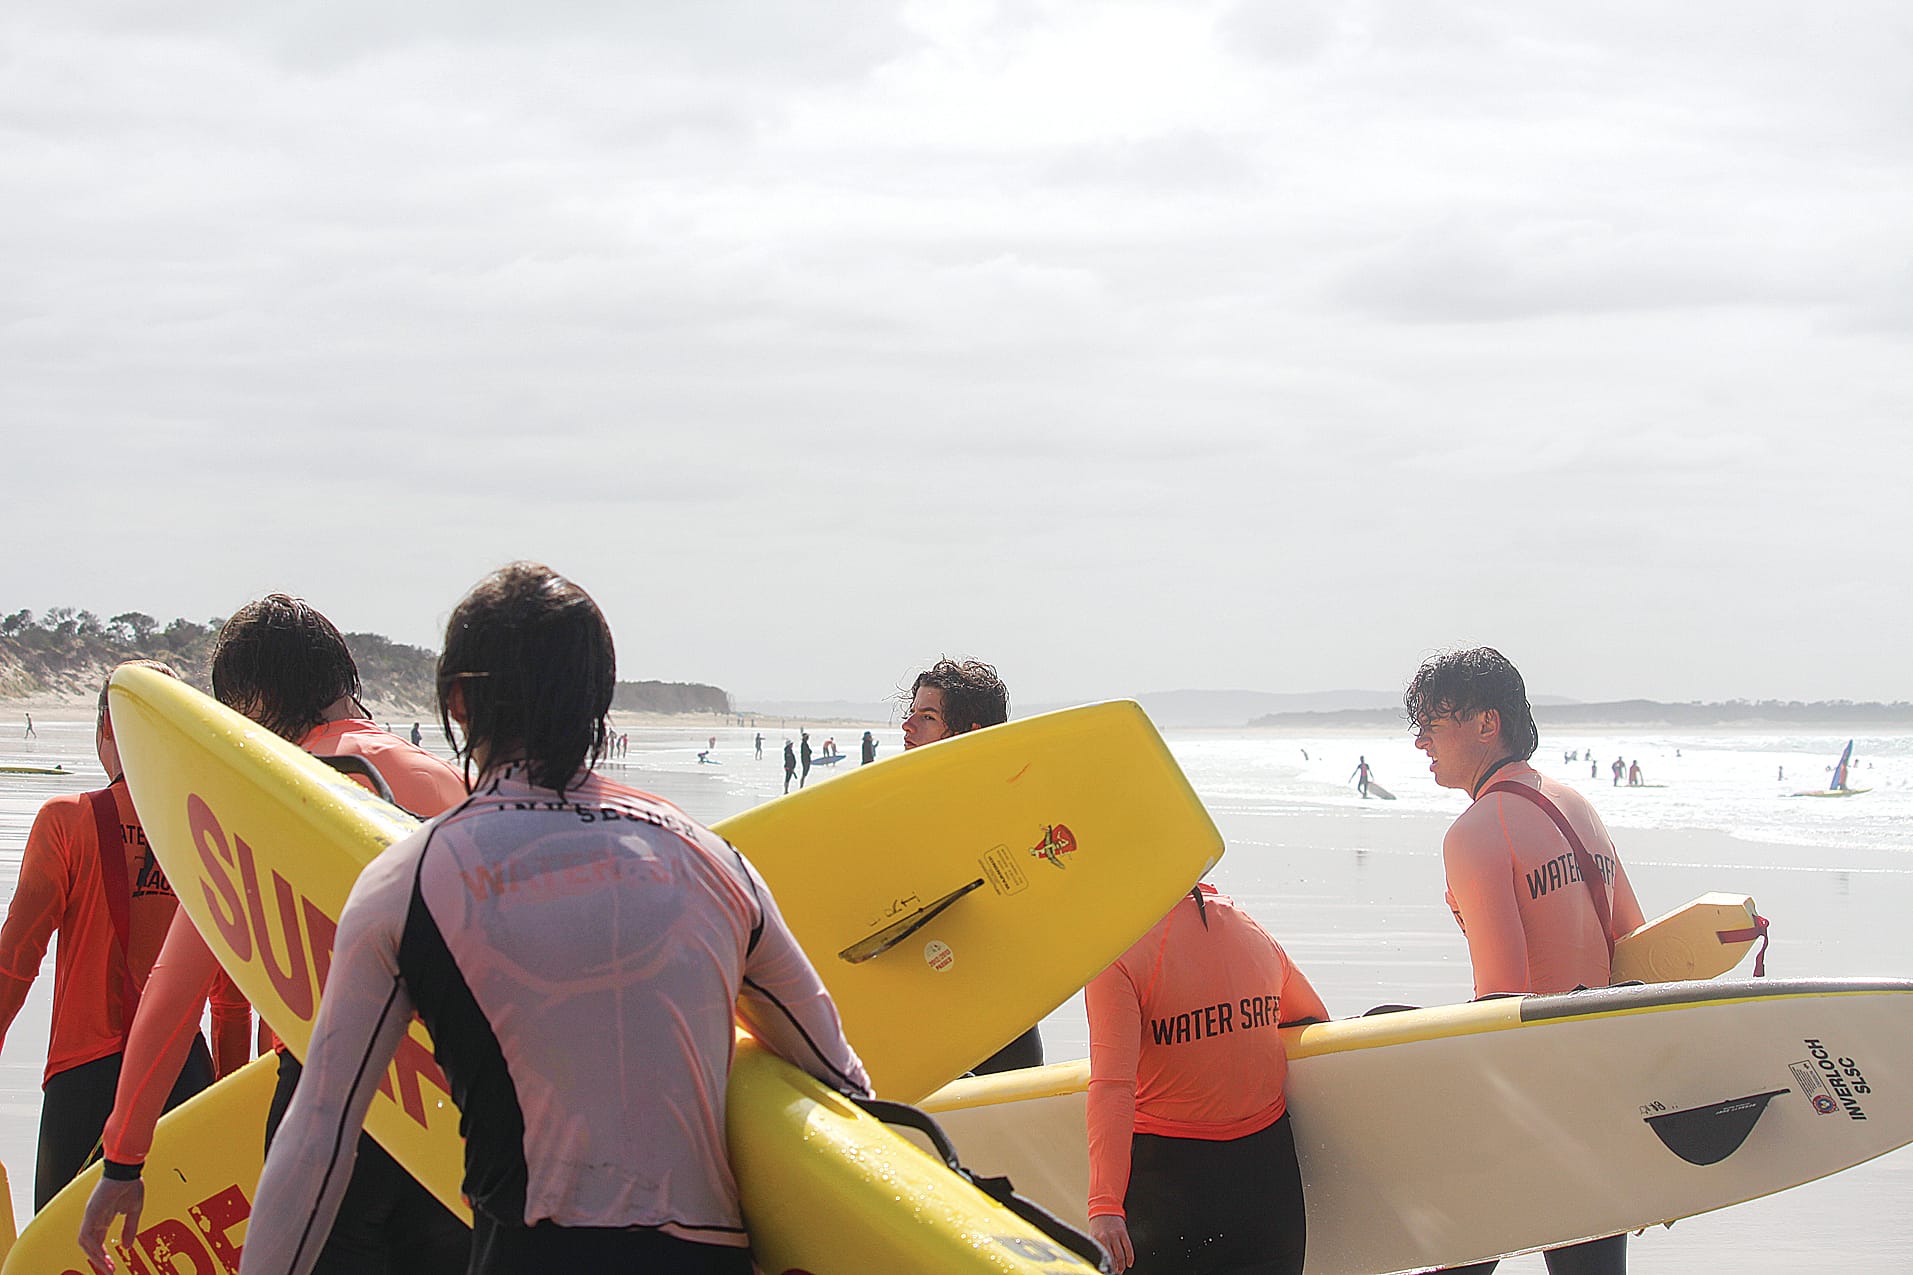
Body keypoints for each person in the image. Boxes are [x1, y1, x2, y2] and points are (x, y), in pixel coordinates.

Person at [233, 562, 870, 1274]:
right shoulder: (715, 864)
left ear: (457, 701)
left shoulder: (408, 881)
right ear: (599, 696)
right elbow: (837, 1077)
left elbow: (320, 1130)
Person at [79, 595, 472, 1275]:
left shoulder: (255, 797)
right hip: (452, 1116)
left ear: (250, 702)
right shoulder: (445, 779)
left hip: (324, 1114)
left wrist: (124, 1157)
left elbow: (175, 991)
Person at [1406, 647, 1645, 1275]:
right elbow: (1636, 944)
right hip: (1597, 1079)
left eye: (1434, 722)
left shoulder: (1478, 831)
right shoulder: (1577, 806)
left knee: (1458, 1258)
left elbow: (1500, 997)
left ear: (1488, 724)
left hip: (1527, 1087)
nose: (1420, 742)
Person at [0, 663, 250, 1210]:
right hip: (183, 1078)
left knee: (63, 1257)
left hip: (83, 1078)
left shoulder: (65, 821)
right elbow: (231, 1000)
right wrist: (228, 1111)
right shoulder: (211, 837)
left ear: (105, 734)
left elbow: (15, 960)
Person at [1085, 885, 1326, 1275]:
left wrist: (1105, 1206)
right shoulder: (1250, 930)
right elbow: (1310, 1018)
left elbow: (1113, 1086)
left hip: (1169, 1185)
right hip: (1268, 1180)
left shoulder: (1119, 953)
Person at [899, 658, 1041, 1074]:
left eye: (926, 717)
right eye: (911, 714)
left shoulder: (1004, 820)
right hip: (930, 1028)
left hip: (994, 1037)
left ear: (968, 734)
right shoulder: (909, 813)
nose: (907, 727)